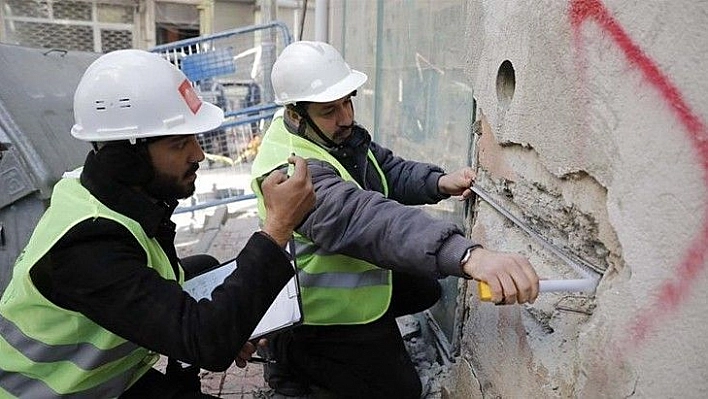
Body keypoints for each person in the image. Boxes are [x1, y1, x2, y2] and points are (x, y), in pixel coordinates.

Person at [0, 49, 315, 398]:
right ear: (128, 156)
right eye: (180, 143)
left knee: (205, 270)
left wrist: (229, 320)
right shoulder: (87, 245)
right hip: (53, 394)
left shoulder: (103, 190)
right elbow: (207, 344)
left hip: (112, 380)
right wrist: (277, 228)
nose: (198, 154)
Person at [250, 41, 540, 399]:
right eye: (330, 110)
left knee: (426, 287)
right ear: (296, 114)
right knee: (401, 392)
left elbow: (382, 168)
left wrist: (436, 183)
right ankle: (290, 363)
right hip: (323, 316)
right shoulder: (289, 173)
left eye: (347, 101)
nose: (346, 117)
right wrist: (467, 256)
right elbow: (366, 219)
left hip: (354, 295)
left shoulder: (326, 134)